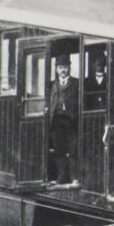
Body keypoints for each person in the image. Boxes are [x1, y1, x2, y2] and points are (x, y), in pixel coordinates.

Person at [47, 54, 79, 184]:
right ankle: (61, 177)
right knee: (59, 150)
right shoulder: (52, 85)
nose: (63, 70)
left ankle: (74, 177)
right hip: (56, 121)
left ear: (69, 68)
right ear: (56, 69)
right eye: (60, 67)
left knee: (73, 150)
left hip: (71, 121)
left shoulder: (76, 83)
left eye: (65, 67)